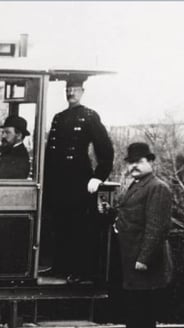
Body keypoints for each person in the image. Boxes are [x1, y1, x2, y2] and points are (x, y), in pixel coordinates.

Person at [100, 142, 173, 328]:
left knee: (137, 310)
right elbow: (132, 215)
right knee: (145, 309)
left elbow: (156, 227)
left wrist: (143, 258)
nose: (134, 166)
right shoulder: (139, 185)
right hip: (134, 256)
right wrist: (112, 213)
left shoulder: (157, 188)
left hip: (144, 260)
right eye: (131, 162)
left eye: (139, 162)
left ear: (151, 162)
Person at [41, 77, 114, 282]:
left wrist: (98, 177)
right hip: (57, 181)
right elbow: (50, 152)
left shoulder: (89, 116)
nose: (71, 93)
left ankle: (80, 271)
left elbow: (106, 151)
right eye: (68, 89)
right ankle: (60, 266)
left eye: (74, 89)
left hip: (78, 181)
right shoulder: (58, 117)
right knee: (59, 225)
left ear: (82, 91)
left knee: (78, 227)